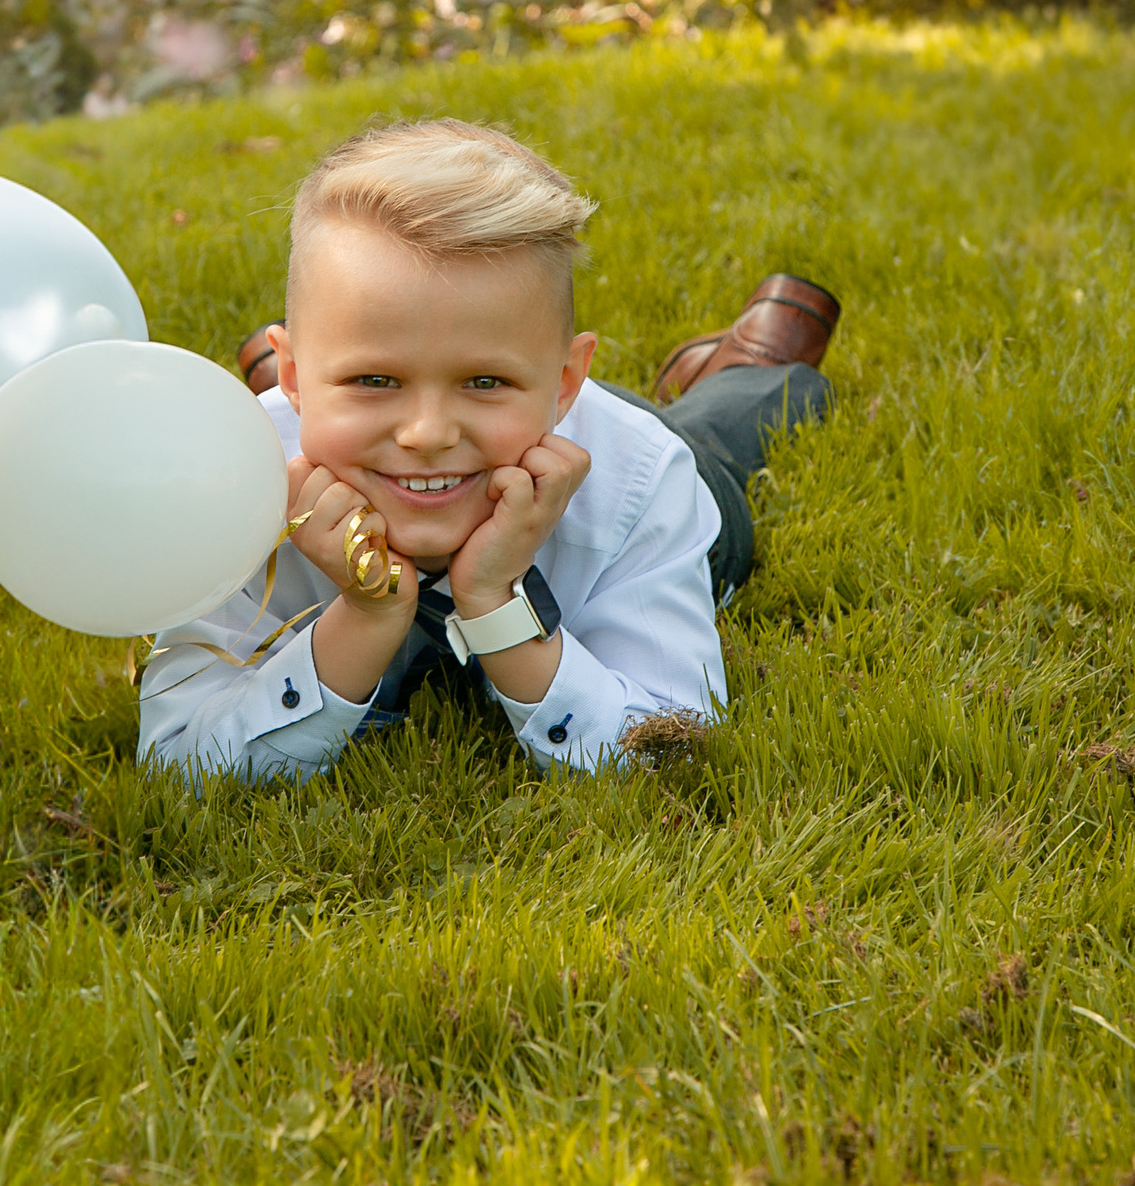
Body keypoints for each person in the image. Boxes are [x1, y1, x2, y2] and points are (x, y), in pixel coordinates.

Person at [135, 119, 836, 780]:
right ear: (294, 377)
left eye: (483, 380)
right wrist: (364, 618)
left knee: (731, 428)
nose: (427, 432)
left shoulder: (642, 478)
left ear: (566, 382)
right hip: (480, 429)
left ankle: (747, 366)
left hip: (610, 442)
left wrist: (497, 603)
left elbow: (667, 753)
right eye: (373, 379)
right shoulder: (231, 489)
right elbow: (177, 760)